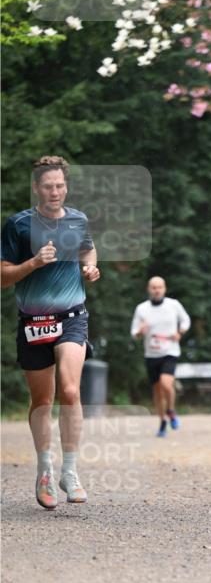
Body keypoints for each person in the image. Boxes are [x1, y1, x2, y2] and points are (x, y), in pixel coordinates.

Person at [0, 155, 100, 509]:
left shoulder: (77, 219)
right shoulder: (18, 225)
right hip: (33, 322)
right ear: (35, 188)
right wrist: (33, 263)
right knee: (42, 400)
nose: (54, 191)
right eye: (48, 186)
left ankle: (69, 471)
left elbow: (89, 250)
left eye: (59, 185)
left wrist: (90, 268)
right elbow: (3, 276)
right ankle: (45, 469)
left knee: (71, 391)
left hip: (72, 316)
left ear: (66, 186)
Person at [131, 277, 191, 437]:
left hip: (170, 351)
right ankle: (162, 421)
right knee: (157, 392)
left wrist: (180, 333)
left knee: (166, 383)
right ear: (148, 289)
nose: (156, 290)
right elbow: (134, 333)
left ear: (164, 288)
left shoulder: (173, 305)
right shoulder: (141, 309)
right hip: (151, 354)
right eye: (153, 287)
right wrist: (140, 331)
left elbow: (186, 320)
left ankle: (171, 409)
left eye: (159, 287)